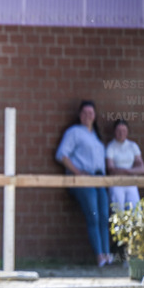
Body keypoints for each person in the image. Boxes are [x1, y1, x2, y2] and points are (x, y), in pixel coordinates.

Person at [55, 100, 113, 267]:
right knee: (93, 215)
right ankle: (99, 256)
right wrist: (78, 172)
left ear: (95, 116)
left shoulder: (96, 136)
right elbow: (62, 155)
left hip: (99, 179)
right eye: (85, 113)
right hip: (83, 181)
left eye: (91, 113)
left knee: (104, 216)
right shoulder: (74, 132)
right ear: (80, 116)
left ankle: (107, 254)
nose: (88, 116)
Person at [105, 119, 144, 210]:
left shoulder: (132, 146)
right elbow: (111, 168)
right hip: (116, 184)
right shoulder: (111, 147)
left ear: (127, 132)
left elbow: (142, 168)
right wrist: (132, 171)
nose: (121, 133)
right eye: (118, 131)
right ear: (114, 132)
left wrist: (126, 171)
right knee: (119, 214)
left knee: (136, 212)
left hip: (131, 183)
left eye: (124, 131)